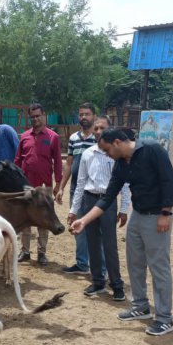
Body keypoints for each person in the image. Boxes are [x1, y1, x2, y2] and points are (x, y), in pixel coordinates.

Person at [71, 128, 173, 336]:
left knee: (159, 266)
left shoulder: (152, 150)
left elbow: (169, 181)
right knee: (135, 262)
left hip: (157, 215)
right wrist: (83, 220)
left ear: (118, 142)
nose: (107, 155)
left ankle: (165, 318)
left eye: (108, 150)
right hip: (137, 215)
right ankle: (140, 306)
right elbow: (108, 197)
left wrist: (166, 212)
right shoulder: (121, 164)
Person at [69, 116, 130, 300]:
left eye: (102, 128)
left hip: (108, 202)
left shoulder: (116, 154)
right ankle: (97, 281)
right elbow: (80, 183)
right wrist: (74, 209)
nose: (97, 131)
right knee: (92, 243)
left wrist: (124, 208)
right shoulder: (88, 154)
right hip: (89, 200)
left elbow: (125, 184)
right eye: (96, 128)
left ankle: (117, 284)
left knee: (109, 245)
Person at [14, 103, 63, 266]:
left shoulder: (53, 137)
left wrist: (58, 184)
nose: (35, 119)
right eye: (32, 116)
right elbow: (18, 160)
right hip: (26, 186)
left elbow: (57, 162)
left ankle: (42, 253)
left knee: (44, 219)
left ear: (44, 115)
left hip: (44, 186)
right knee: (25, 218)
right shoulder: (25, 136)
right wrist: (16, 179)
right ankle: (25, 251)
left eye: (38, 115)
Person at [57, 103, 98, 275]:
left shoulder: (99, 137)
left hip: (95, 191)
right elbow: (68, 163)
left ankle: (99, 267)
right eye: (81, 114)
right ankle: (82, 264)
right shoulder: (74, 138)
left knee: (96, 229)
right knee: (77, 226)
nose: (83, 117)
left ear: (94, 116)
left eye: (87, 114)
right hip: (76, 190)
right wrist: (61, 187)